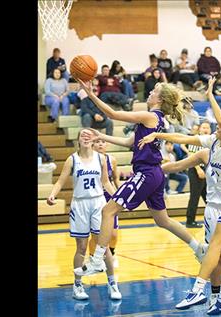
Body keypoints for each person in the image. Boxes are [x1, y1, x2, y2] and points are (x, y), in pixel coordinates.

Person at [139, 77, 221, 314]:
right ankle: (219, 297)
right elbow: (184, 139)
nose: (214, 126)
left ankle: (209, 290)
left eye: (219, 126)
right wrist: (158, 136)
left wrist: (211, 94)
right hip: (220, 205)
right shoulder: (211, 143)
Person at [73, 79, 209, 277]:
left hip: (146, 173)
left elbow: (113, 114)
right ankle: (198, 247)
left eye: (154, 90)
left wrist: (91, 94)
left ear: (160, 99)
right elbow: (130, 141)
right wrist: (100, 137)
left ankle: (97, 260)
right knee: (163, 220)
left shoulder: (149, 116)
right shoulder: (158, 119)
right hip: (155, 173)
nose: (150, 92)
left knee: (108, 210)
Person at [161, 147, 221, 310]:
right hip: (215, 207)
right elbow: (177, 165)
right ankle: (215, 296)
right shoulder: (205, 153)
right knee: (218, 254)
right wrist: (152, 170)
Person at [46, 129, 122, 301]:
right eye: (83, 135)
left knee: (103, 247)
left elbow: (105, 182)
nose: (86, 138)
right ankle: (77, 285)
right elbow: (60, 181)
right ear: (78, 140)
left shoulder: (101, 158)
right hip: (80, 204)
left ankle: (112, 283)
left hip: (98, 203)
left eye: (89, 135)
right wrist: (53, 194)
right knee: (81, 248)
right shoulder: (72, 160)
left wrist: (119, 199)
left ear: (93, 139)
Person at [90, 139, 122, 267]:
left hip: (109, 197)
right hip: (95, 197)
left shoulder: (112, 160)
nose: (100, 144)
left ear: (107, 144)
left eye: (103, 142)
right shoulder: (88, 160)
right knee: (95, 235)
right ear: (92, 145)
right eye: (97, 142)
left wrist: (119, 194)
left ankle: (112, 255)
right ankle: (92, 259)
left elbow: (115, 178)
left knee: (113, 233)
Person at [179, 120, 211, 228]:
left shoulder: (210, 141)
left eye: (207, 127)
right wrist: (198, 170)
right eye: (203, 127)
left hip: (205, 171)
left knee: (208, 197)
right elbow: (191, 155)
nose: (206, 129)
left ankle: (214, 218)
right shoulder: (196, 139)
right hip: (196, 170)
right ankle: (190, 221)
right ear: (199, 129)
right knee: (195, 197)